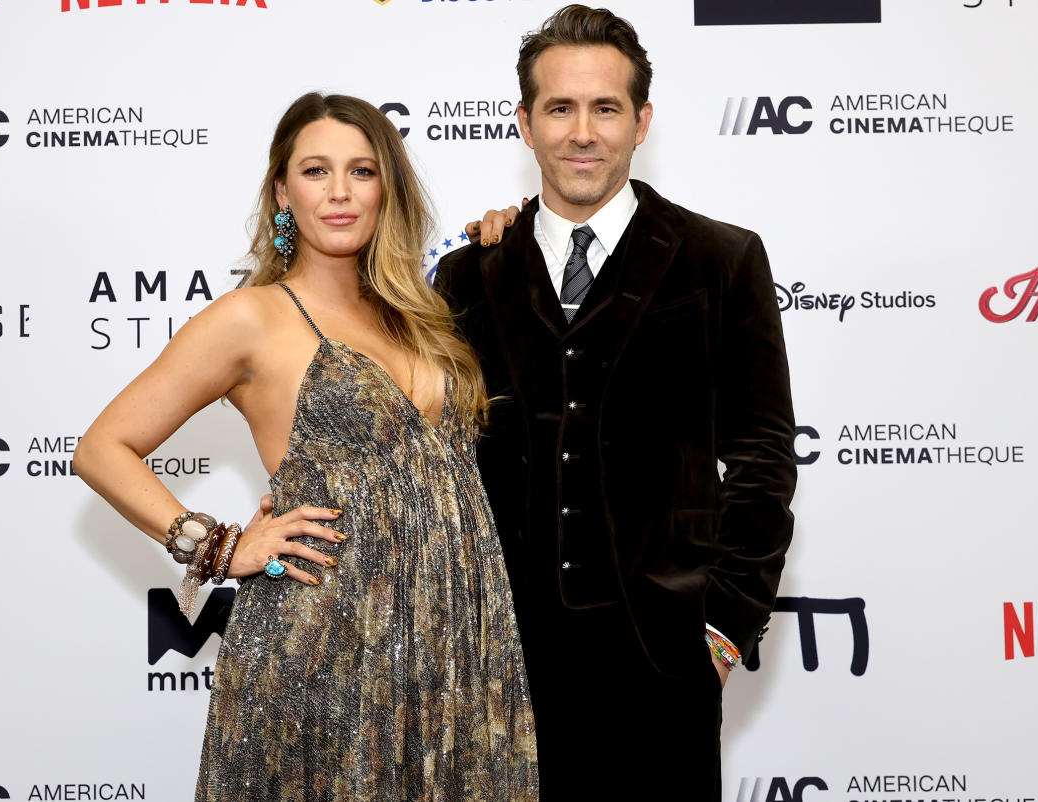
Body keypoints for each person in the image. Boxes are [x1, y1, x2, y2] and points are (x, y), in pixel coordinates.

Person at [74, 92, 537, 802]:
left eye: (362, 170)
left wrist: (510, 232)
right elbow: (103, 447)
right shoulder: (251, 317)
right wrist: (219, 547)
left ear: (389, 188)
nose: (342, 192)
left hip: (453, 640)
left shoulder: (425, 311)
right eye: (317, 171)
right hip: (324, 641)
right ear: (283, 192)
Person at [433, 6, 797, 799]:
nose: (582, 132)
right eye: (560, 108)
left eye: (606, 108)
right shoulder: (467, 276)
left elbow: (766, 455)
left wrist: (725, 626)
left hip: (663, 659)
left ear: (642, 122)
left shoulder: (722, 259)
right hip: (501, 664)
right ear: (525, 124)